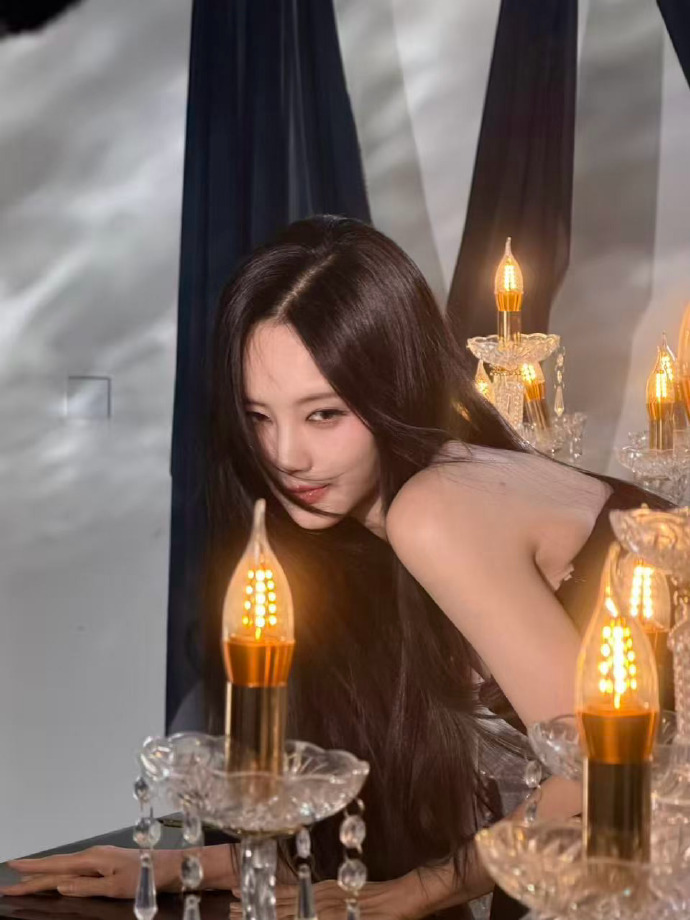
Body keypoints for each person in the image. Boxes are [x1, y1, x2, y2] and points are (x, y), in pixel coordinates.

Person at [1, 216, 667, 918]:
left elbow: (599, 774)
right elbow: (401, 804)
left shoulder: (436, 510)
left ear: (394, 392)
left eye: (324, 414)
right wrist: (186, 865)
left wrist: (417, 893)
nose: (285, 455)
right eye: (259, 417)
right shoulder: (372, 534)